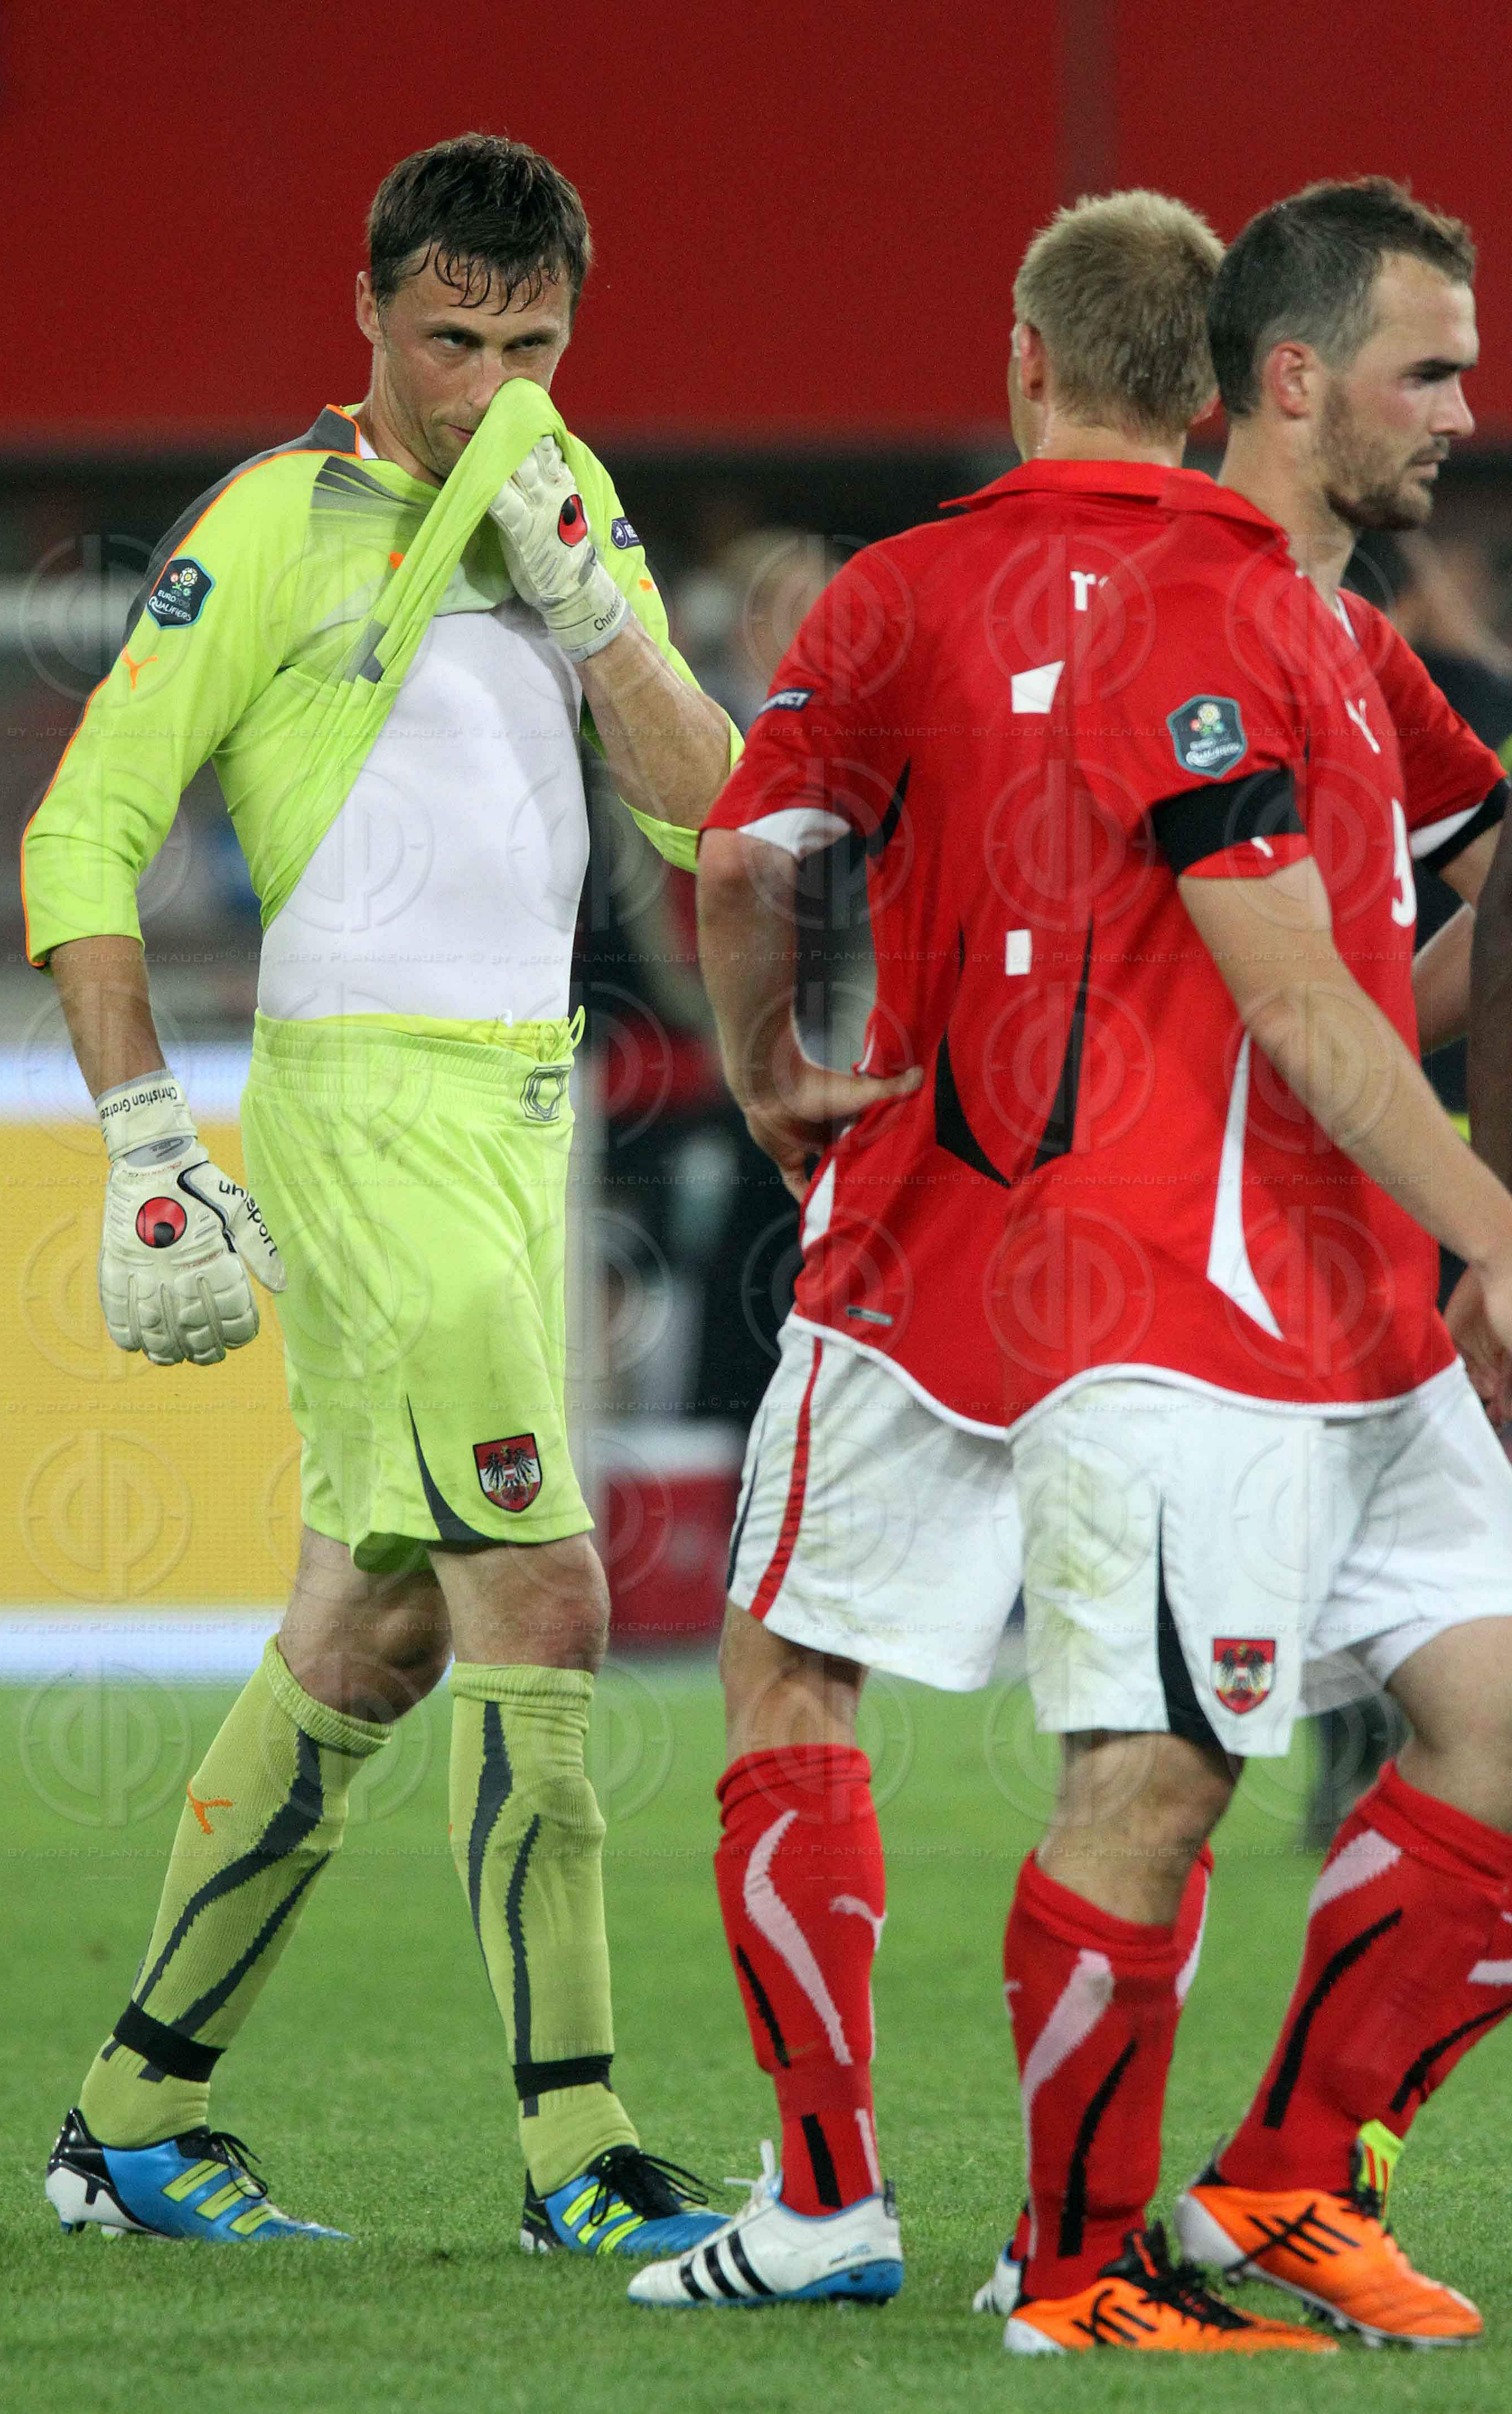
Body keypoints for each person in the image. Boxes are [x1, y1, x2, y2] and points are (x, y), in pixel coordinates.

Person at [22, 133, 737, 2253]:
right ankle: (577, 2152)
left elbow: (715, 821)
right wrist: (146, 1137)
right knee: (547, 1593)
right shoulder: (271, 523)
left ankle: (132, 2121)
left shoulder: (563, 496)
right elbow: (84, 833)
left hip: (524, 1118)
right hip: (365, 1115)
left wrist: (596, 617)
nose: (486, 388)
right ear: (369, 314)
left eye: (531, 346)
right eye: (449, 342)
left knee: (380, 1620)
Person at [629, 192, 1322, 2342]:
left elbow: (743, 859)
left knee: (788, 1667)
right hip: (1194, 1269)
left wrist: (769, 1067)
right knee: (1144, 1756)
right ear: (1214, 388)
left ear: (1025, 357)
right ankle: (1083, 2240)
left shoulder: (902, 591)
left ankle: (824, 2196)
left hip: (928, 1229)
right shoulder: (1285, 601)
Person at [972, 177, 1512, 2353]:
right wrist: (1495, 1224)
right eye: (1427, 372)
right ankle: (1068, 2271)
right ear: (1292, 380)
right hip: (1180, 1313)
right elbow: (1290, 996)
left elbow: (1447, 923)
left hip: (1362, 1311)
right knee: (1161, 1780)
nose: (1461, 412)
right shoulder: (1184, 615)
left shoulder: (1352, 641)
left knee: (1501, 1734)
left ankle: (1286, 2182)